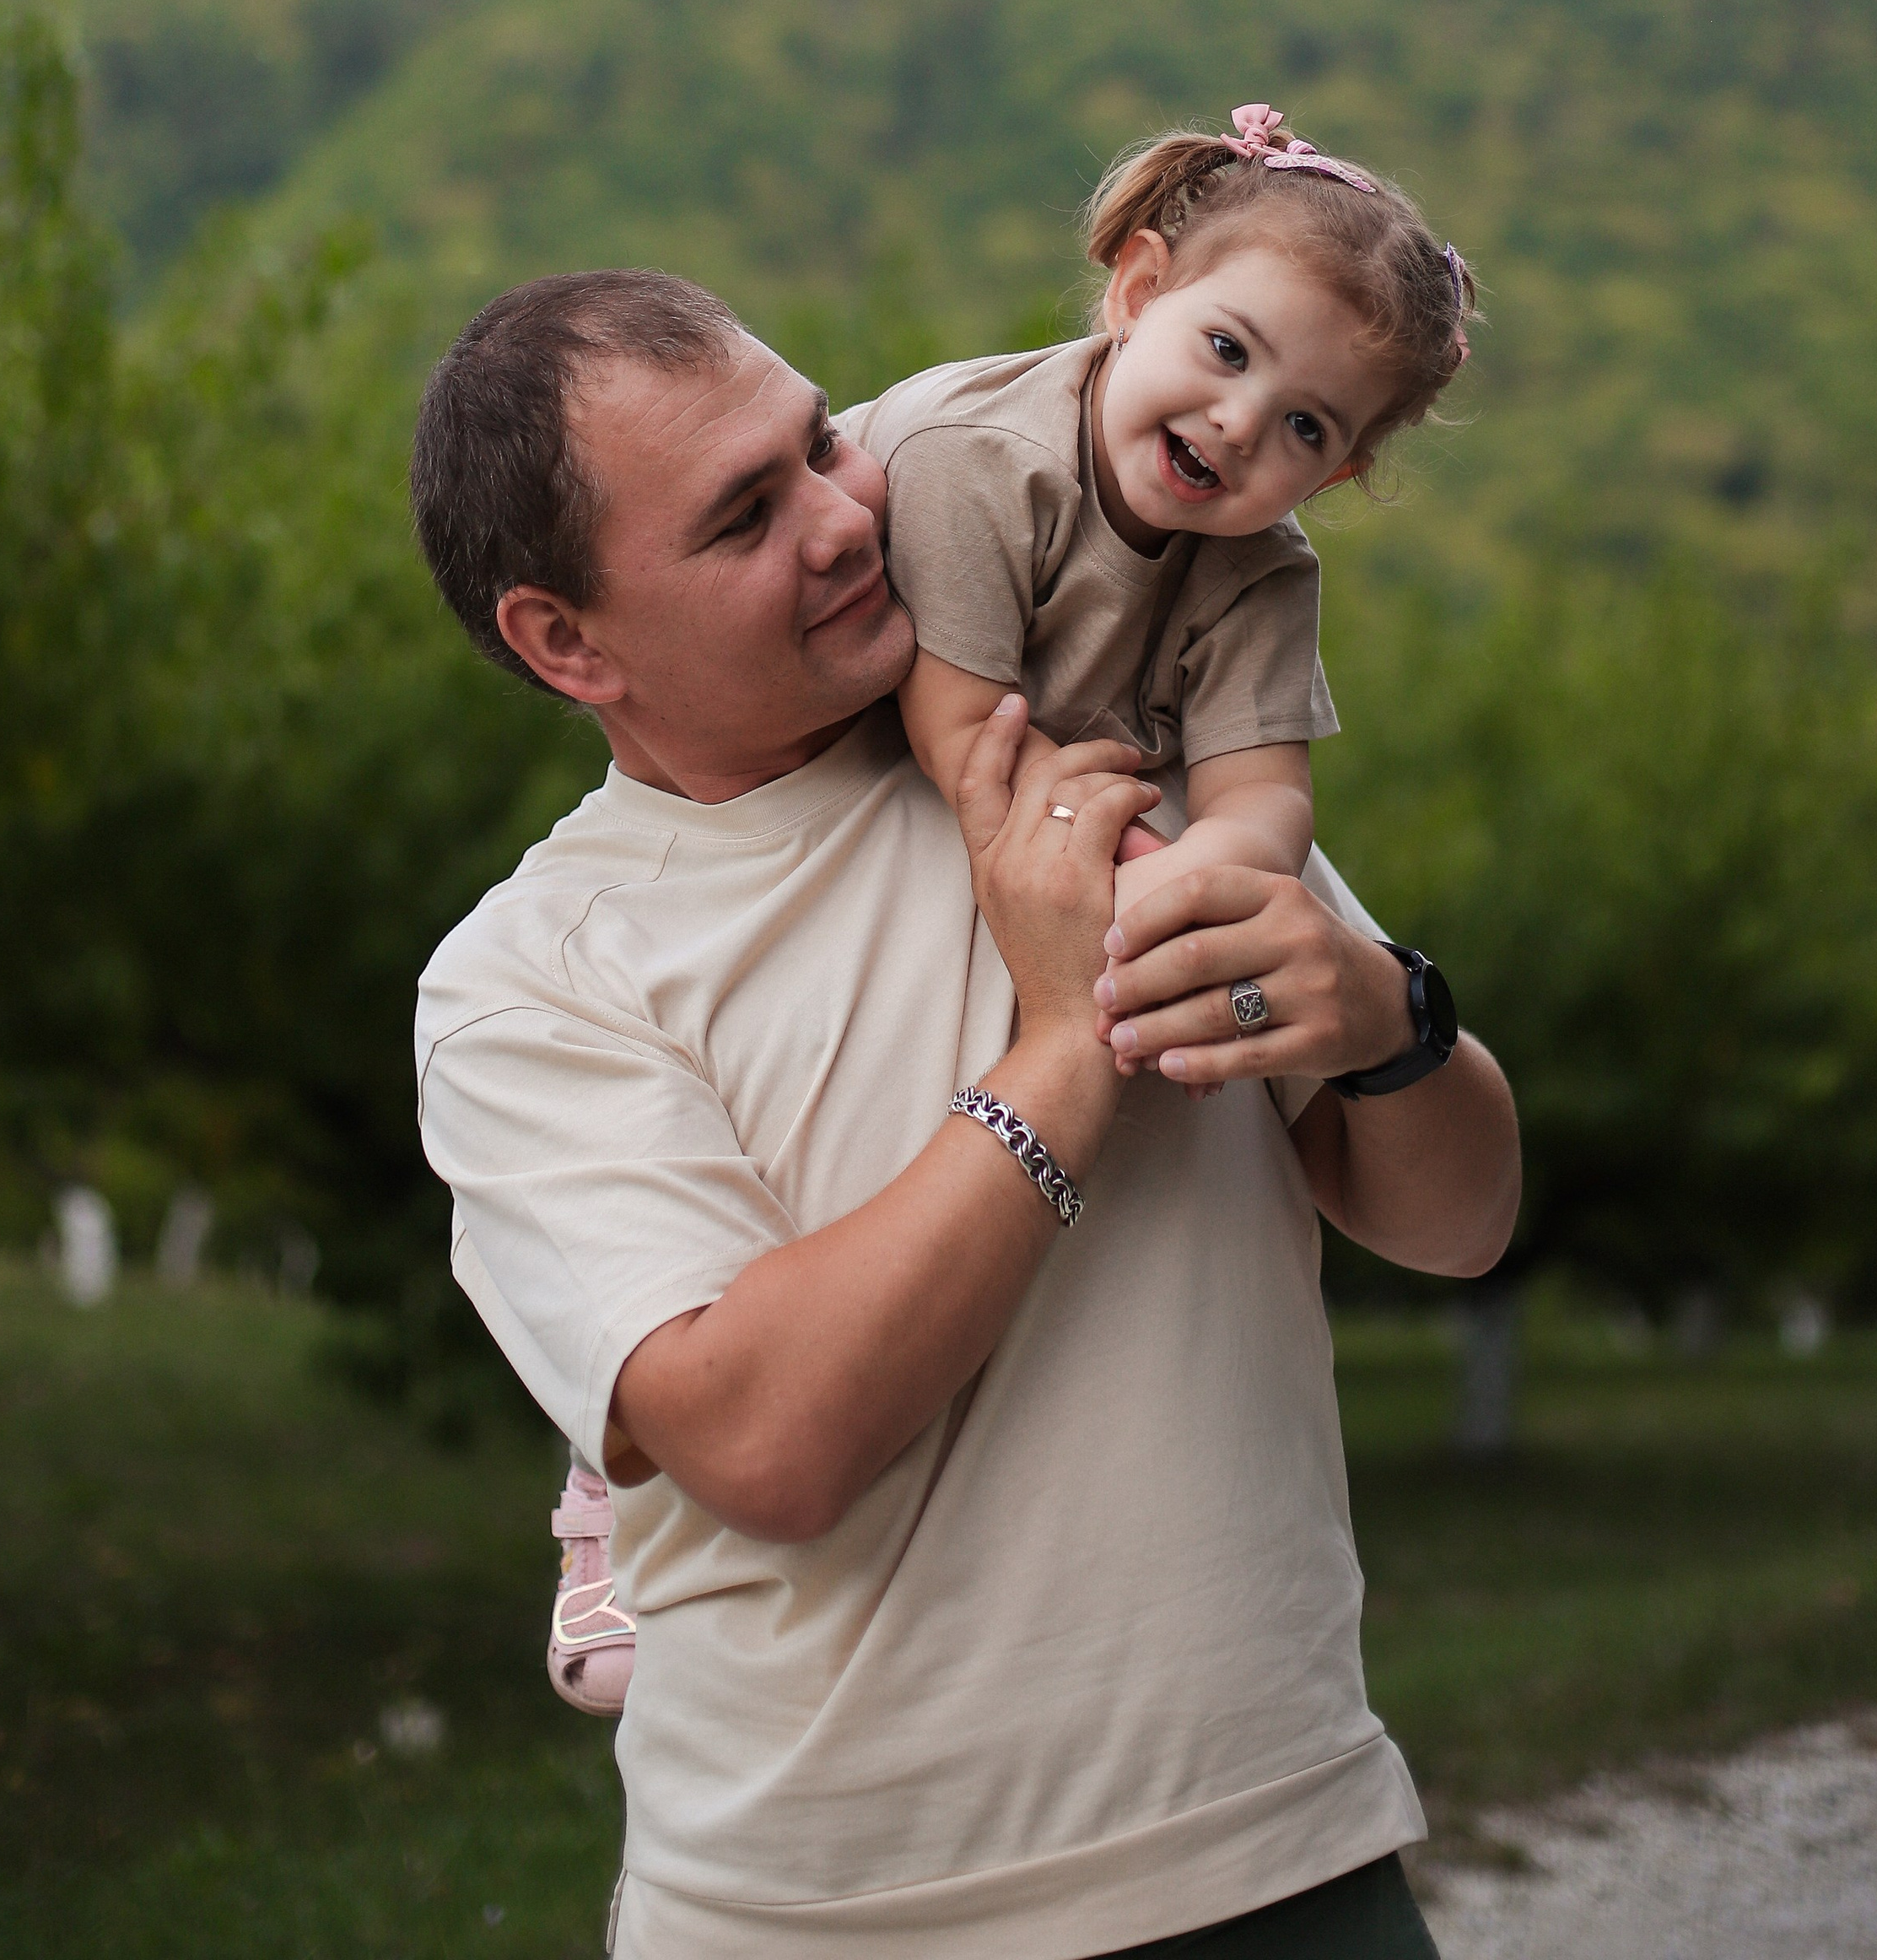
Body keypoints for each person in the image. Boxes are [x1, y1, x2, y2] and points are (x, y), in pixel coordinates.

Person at [412, 269, 1520, 1960]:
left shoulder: (1104, 744)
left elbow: (1457, 1223)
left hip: (1272, 1851)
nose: (847, 519)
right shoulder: (537, 980)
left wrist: (1387, 1018)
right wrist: (1069, 1037)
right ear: (565, 641)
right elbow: (766, 1440)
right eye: (742, 518)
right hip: (820, 1919)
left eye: (817, 446)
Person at [874, 100, 1477, 930]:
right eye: (1228, 350)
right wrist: (1126, 853)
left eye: (1304, 427)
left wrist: (1191, 876)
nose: (1240, 423)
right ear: (1138, 291)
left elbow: (1261, 794)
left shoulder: (1261, 568)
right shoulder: (983, 461)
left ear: (1332, 475)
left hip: (1094, 802)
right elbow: (964, 729)